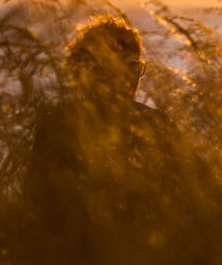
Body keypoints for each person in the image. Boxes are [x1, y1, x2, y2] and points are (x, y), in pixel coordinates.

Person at [26, 15, 175, 242]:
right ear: (92, 69)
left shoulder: (158, 124)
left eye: (135, 67)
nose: (130, 78)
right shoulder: (59, 125)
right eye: (119, 67)